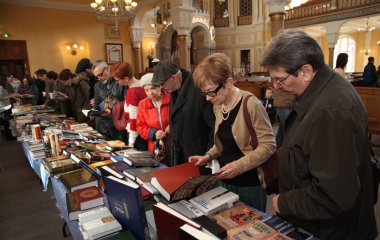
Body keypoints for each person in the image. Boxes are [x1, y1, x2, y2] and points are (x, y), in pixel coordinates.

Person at [260, 29, 378, 239]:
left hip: (331, 231)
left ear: (306, 71)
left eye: (280, 79)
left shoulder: (330, 111)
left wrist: (282, 202)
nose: (276, 86)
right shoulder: (321, 90)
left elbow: (334, 195)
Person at [188, 53, 276, 211]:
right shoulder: (218, 104)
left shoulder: (251, 104)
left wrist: (238, 166)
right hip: (225, 180)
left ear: (228, 83)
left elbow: (269, 146)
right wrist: (208, 156)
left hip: (248, 183)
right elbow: (223, 141)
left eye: (210, 92)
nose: (207, 98)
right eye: (204, 93)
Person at [152, 60, 215, 172]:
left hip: (197, 157)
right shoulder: (174, 88)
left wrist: (209, 155)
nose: (161, 87)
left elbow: (214, 126)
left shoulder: (198, 89)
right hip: (179, 154)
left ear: (174, 78)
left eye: (162, 84)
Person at [110, 61, 147, 150]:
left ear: (126, 78)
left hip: (136, 135)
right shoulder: (143, 85)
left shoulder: (132, 92)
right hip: (145, 130)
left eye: (117, 80)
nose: (117, 83)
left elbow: (134, 118)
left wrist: (131, 142)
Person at [137, 73, 170, 165]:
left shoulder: (172, 99)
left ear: (160, 86)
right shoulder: (142, 105)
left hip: (173, 144)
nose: (150, 93)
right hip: (154, 146)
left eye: (153, 88)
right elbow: (140, 126)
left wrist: (173, 127)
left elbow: (182, 119)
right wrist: (154, 132)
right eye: (146, 90)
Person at [91, 60, 127, 139]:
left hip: (118, 121)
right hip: (101, 123)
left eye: (100, 75)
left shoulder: (120, 81)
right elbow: (97, 102)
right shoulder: (97, 85)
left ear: (107, 68)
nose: (99, 78)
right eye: (97, 77)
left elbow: (127, 101)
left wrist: (112, 110)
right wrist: (93, 111)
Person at [0, 74, 16, 140]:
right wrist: (10, 96)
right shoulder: (0, 87)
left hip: (6, 106)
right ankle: (8, 136)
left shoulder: (2, 87)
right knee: (6, 121)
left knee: (7, 121)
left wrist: (10, 95)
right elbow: (1, 97)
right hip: (3, 107)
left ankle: (8, 134)